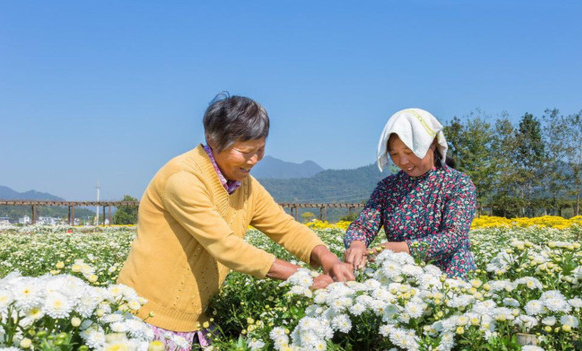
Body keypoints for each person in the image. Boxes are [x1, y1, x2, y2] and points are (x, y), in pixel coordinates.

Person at [118, 93, 354, 350]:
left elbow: (285, 227)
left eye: (260, 149)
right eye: (245, 151)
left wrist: (328, 259)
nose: (254, 160)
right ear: (213, 140)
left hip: (198, 320)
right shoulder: (183, 177)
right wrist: (303, 277)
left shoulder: (244, 185)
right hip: (146, 315)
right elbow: (226, 246)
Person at [343, 108, 477, 280]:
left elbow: (453, 236)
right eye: (394, 154)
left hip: (450, 281)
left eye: (409, 152)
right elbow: (363, 225)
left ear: (432, 143)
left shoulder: (457, 183)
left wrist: (403, 248)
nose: (403, 161)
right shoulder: (388, 187)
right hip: (402, 280)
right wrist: (357, 244)